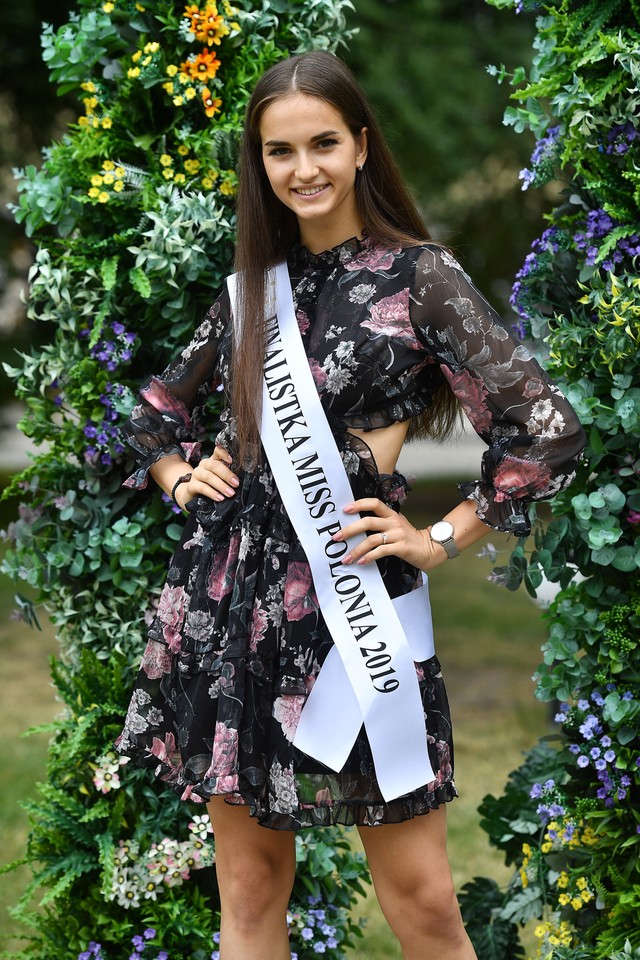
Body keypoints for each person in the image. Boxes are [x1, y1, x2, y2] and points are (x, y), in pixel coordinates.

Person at [116, 50, 585, 960]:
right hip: (238, 611)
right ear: (261, 164)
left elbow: (547, 427)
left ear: (361, 145)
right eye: (280, 152)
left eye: (324, 143)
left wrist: (442, 536)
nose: (304, 170)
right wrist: (180, 474)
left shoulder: (420, 277)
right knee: (250, 895)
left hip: (355, 606)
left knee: (422, 902)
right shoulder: (254, 289)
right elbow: (151, 415)